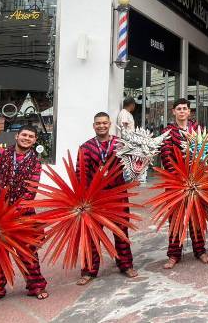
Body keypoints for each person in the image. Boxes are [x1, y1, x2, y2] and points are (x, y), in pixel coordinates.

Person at [0, 125, 47, 307]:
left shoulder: (36, 163)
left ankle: (36, 286)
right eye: (24, 135)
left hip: (23, 215)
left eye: (31, 136)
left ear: (35, 140)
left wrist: (14, 212)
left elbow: (31, 192)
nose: (27, 138)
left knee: (28, 252)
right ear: (16, 136)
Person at [76, 112, 138, 285]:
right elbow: (80, 173)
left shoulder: (120, 144)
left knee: (121, 231)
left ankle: (126, 265)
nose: (101, 126)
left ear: (110, 124)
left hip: (118, 195)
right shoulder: (86, 147)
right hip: (95, 198)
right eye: (98, 123)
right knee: (92, 234)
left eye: (104, 123)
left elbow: (132, 164)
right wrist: (82, 198)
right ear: (93, 126)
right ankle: (89, 270)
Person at [160, 98, 208, 269]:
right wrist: (181, 175)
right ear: (173, 111)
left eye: (185, 108)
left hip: (197, 180)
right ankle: (174, 254)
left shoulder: (198, 129)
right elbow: (166, 156)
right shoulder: (168, 132)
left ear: (189, 111)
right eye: (179, 109)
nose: (182, 111)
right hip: (176, 182)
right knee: (176, 218)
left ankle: (200, 251)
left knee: (197, 215)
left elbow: (206, 151)